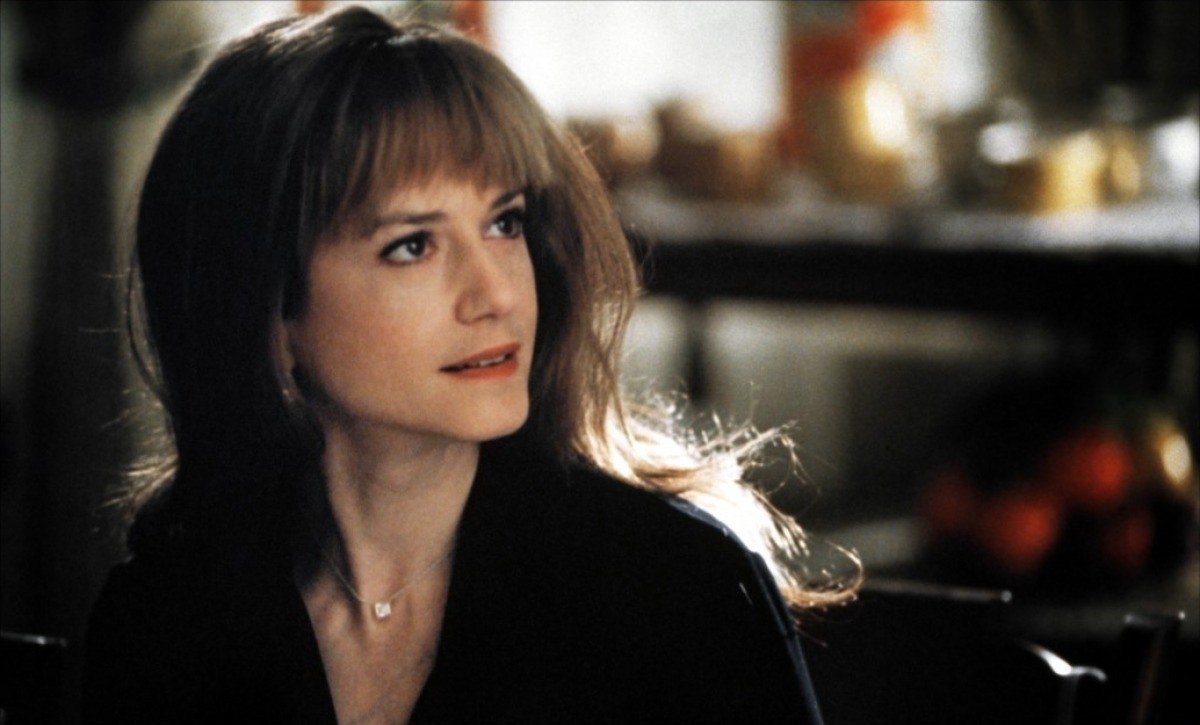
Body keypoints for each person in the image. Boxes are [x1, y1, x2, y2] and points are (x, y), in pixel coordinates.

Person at [84, 7, 857, 723]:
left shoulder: (678, 589)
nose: (498, 294)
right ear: (265, 307)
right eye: (413, 245)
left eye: (504, 222)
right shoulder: (166, 621)